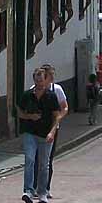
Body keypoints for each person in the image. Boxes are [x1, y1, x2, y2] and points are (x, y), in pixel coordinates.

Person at [15, 68, 60, 203]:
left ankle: (42, 192)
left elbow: (56, 116)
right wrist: (29, 116)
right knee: (29, 160)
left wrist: (52, 132)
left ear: (45, 80)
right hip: (30, 133)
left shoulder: (51, 96)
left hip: (45, 134)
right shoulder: (27, 95)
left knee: (44, 164)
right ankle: (28, 191)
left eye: (41, 79)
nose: (39, 82)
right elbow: (19, 112)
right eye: (37, 79)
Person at [39, 63, 70, 194]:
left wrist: (58, 119)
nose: (52, 77)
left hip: (52, 128)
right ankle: (34, 186)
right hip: (37, 128)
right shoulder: (34, 90)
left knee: (48, 159)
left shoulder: (56, 89)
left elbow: (65, 107)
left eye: (52, 75)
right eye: (49, 75)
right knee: (35, 159)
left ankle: (46, 187)